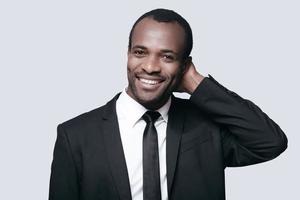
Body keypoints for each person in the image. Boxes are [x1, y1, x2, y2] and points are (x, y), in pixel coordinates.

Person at [49, 8, 287, 200]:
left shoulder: (206, 128)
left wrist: (196, 83)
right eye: (140, 52)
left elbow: (269, 142)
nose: (151, 66)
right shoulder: (75, 136)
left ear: (184, 65)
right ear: (128, 54)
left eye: (167, 57)